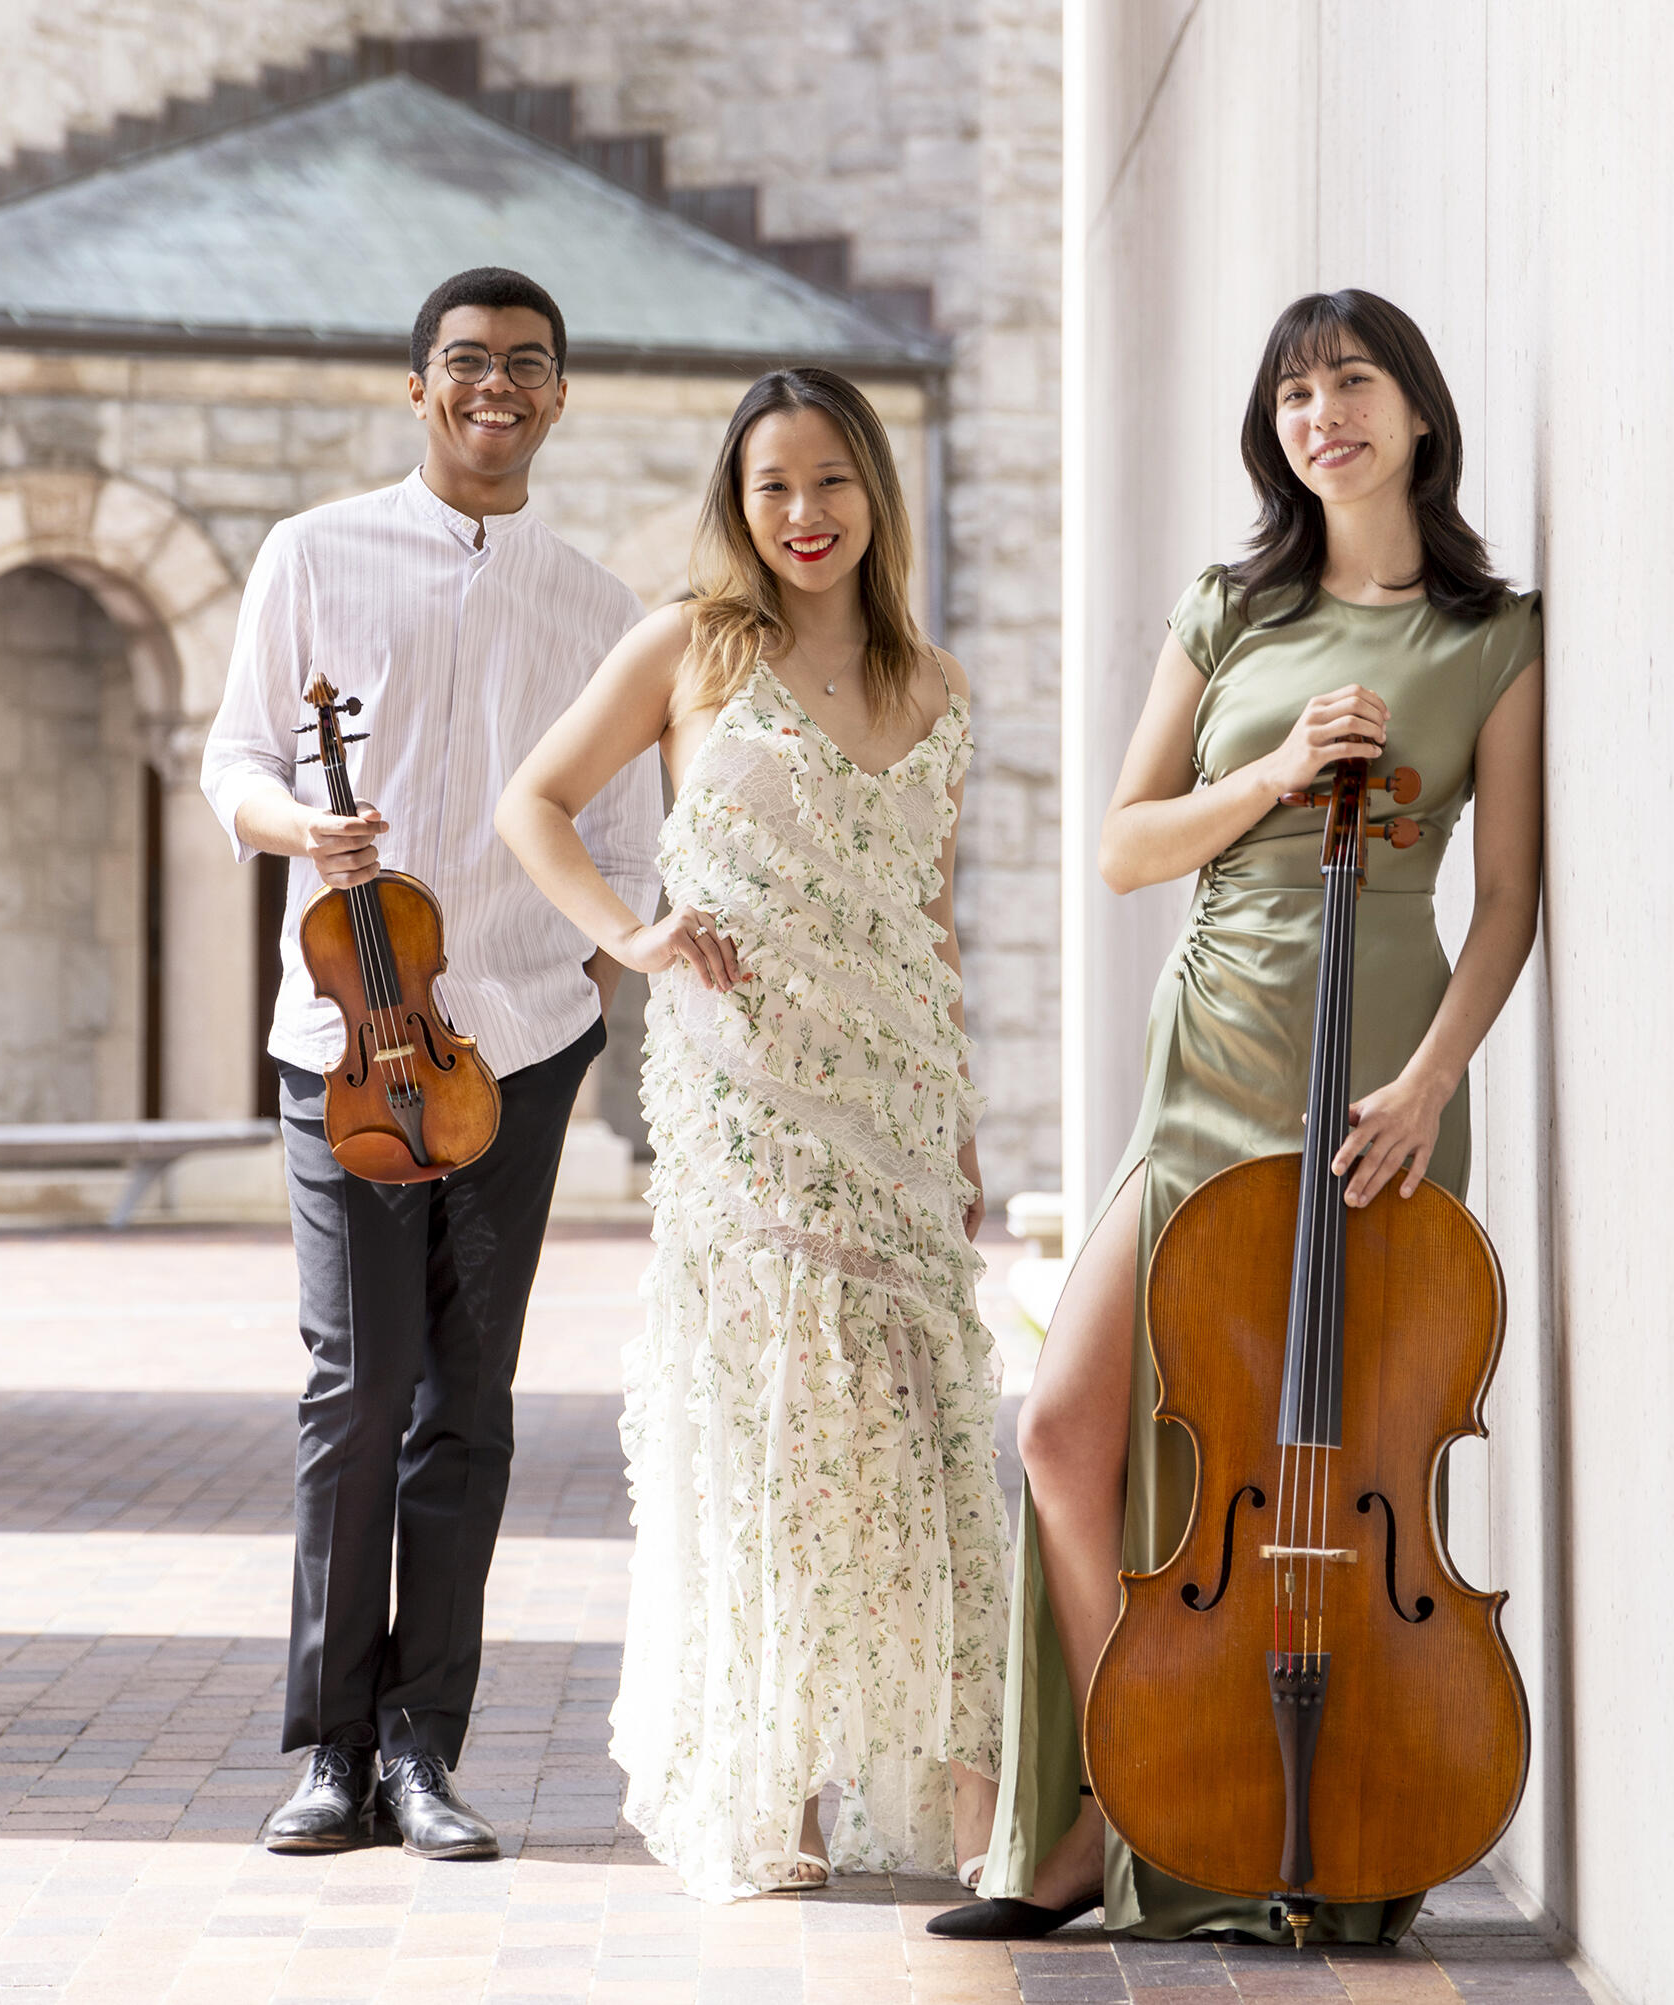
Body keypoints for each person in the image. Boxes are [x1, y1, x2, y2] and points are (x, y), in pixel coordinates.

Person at [931, 289, 1545, 1945]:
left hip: (1379, 1079)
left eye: (1350, 381)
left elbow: (1504, 903)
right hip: (1208, 1050)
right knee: (1067, 1424)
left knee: (1339, 1471)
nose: (1318, 412)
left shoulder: (1492, 634)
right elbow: (1129, 843)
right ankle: (1127, 1810)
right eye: (1290, 390)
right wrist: (1271, 773)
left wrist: (1430, 1084)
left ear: (1417, 411)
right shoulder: (1230, 609)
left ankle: (1331, 1817)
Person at [495, 365, 1012, 1901]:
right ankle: (772, 1773)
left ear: (877, 495)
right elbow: (535, 799)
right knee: (773, 1429)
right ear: (740, 498)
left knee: (915, 1435)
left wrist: (965, 1128)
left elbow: (928, 920)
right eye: (774, 484)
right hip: (746, 1118)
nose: (804, 513)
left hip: (900, 1107)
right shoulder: (689, 649)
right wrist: (630, 934)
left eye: (832, 481)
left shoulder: (940, 685)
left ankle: (967, 1784)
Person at [200, 266, 661, 1860]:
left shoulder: (598, 605)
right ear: (418, 388)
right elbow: (237, 755)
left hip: (518, 1048)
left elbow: (622, 841)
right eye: (466, 363)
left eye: (527, 365)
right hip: (338, 1044)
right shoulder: (312, 554)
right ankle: (327, 1747)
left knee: (469, 1400)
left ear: (557, 393)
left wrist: (568, 1020)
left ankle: (422, 1748)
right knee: (356, 1386)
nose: (496, 388)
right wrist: (298, 830)